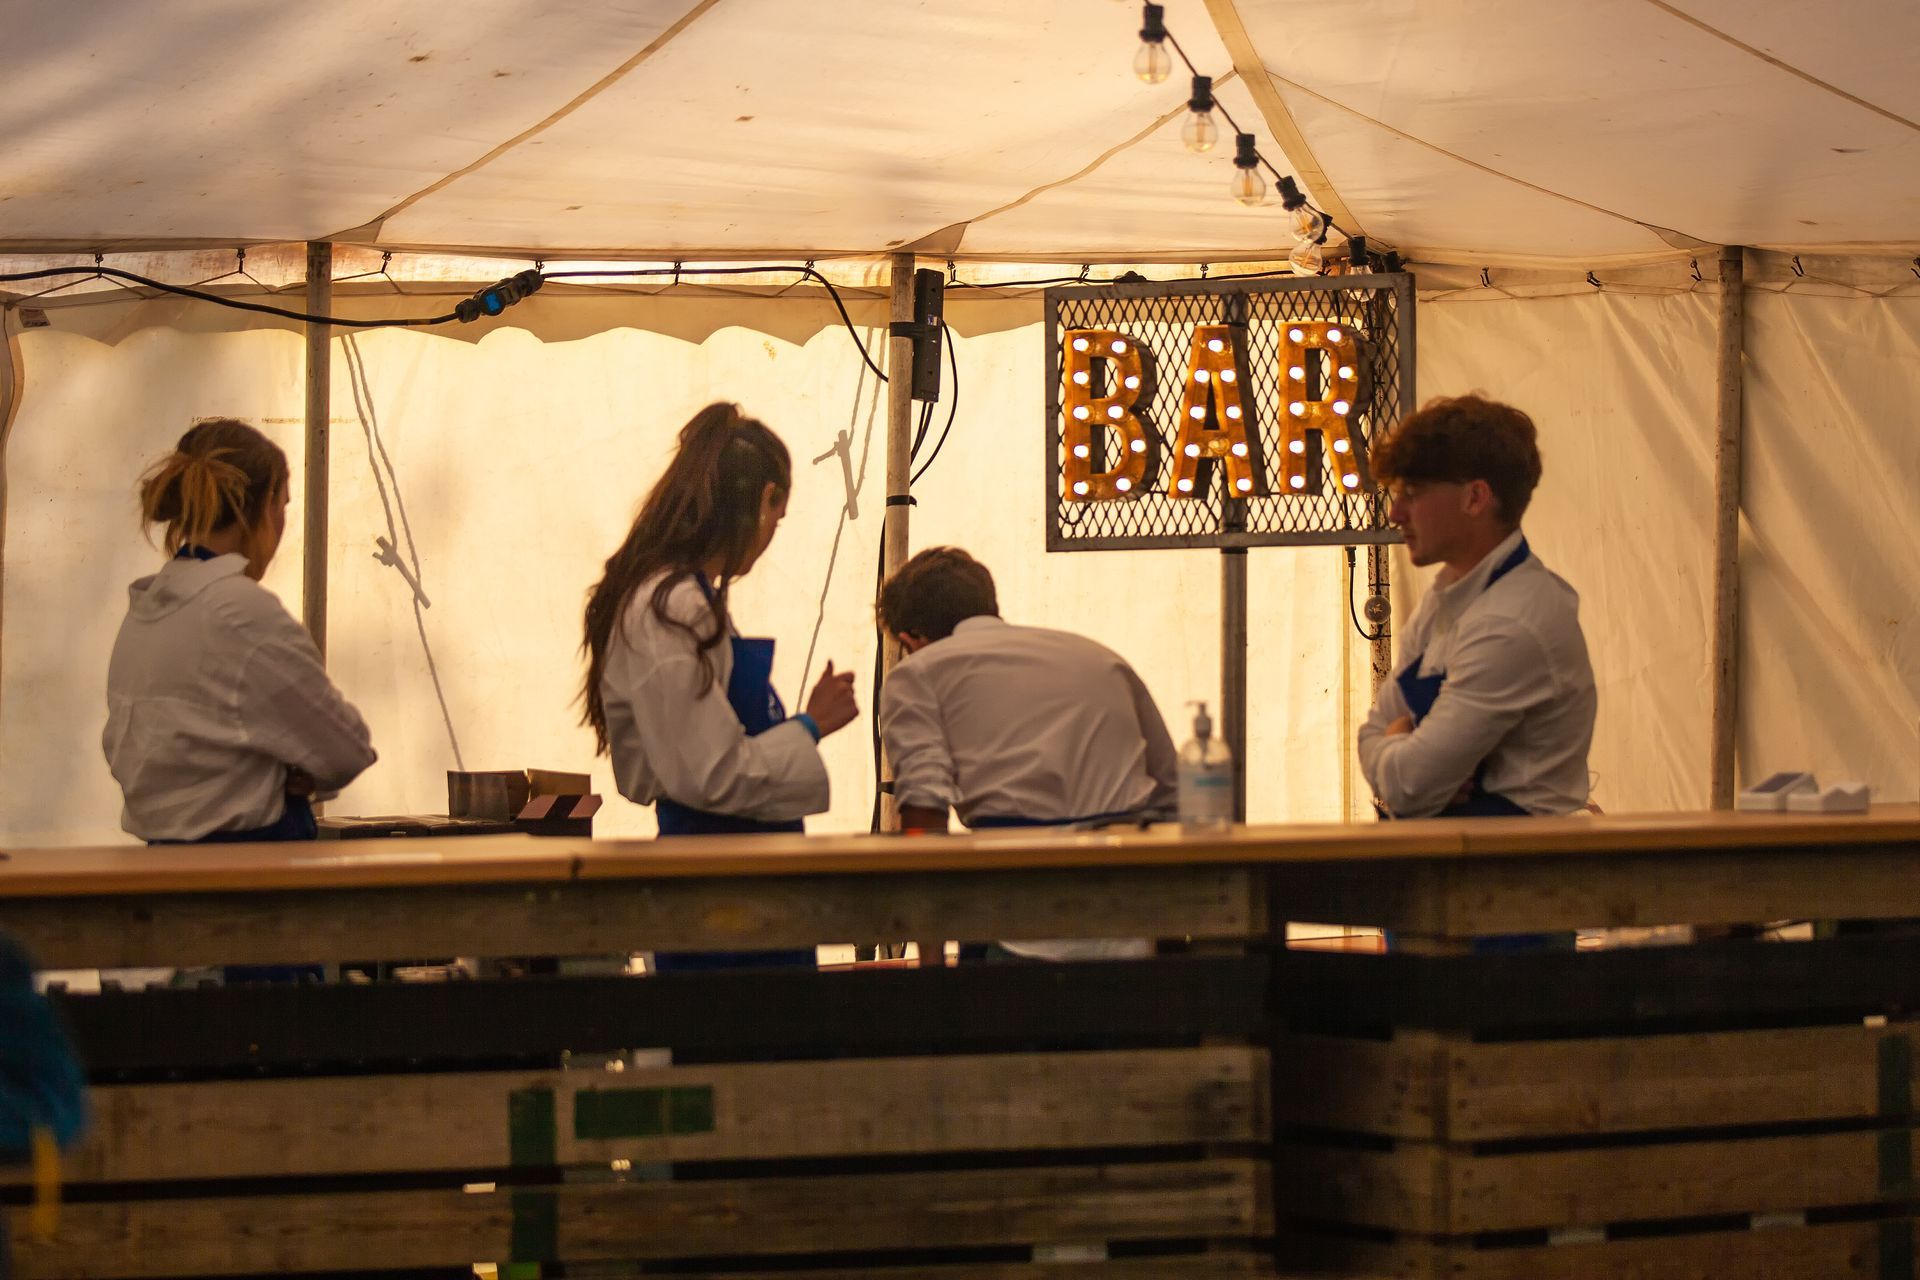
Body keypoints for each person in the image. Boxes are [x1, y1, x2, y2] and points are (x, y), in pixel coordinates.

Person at [582, 403, 858, 968]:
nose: (770, 537)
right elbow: (711, 772)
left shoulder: (681, 598)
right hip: (719, 893)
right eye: (777, 520)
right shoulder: (672, 605)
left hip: (740, 884)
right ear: (764, 500)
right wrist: (809, 725)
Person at [876, 547, 1177, 961]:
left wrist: (931, 964)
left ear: (913, 640)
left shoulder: (918, 674)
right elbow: (1173, 791)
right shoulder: (1100, 657)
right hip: (1134, 914)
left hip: (1021, 919)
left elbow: (924, 818)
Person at [104, 419, 376, 844]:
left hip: (162, 866)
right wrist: (284, 772)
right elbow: (345, 750)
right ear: (265, 505)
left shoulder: (145, 611)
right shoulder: (241, 612)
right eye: (283, 505)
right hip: (250, 869)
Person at [1357, 394, 1596, 820]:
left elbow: (1410, 787)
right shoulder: (1445, 598)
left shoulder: (1511, 622)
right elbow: (1374, 734)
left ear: (1475, 498)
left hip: (1511, 871)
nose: (1395, 513)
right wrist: (1400, 743)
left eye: (1412, 493)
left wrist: (1399, 745)